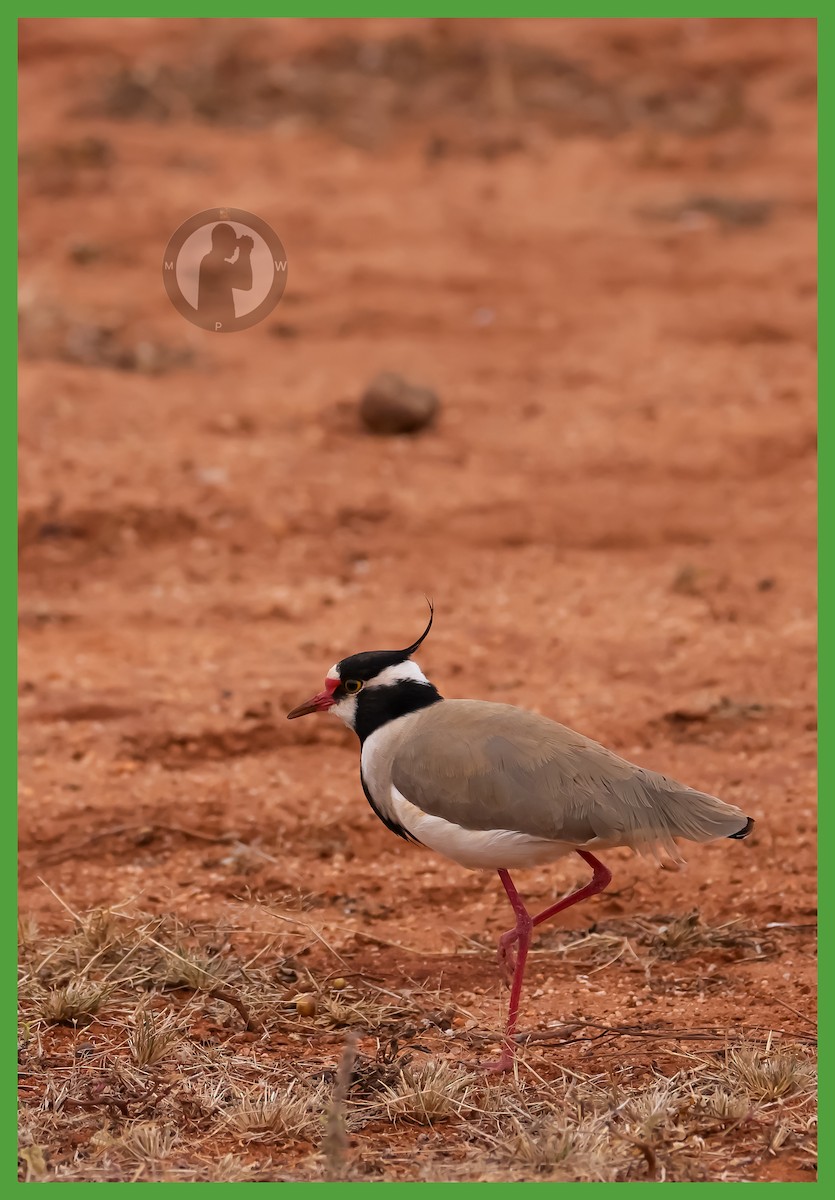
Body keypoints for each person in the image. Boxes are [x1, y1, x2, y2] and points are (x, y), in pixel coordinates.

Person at [196, 223, 254, 326]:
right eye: (232, 242)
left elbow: (242, 279)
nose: (234, 247)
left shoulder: (212, 261)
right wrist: (244, 252)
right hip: (215, 323)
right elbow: (245, 283)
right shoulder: (211, 263)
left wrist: (244, 252)